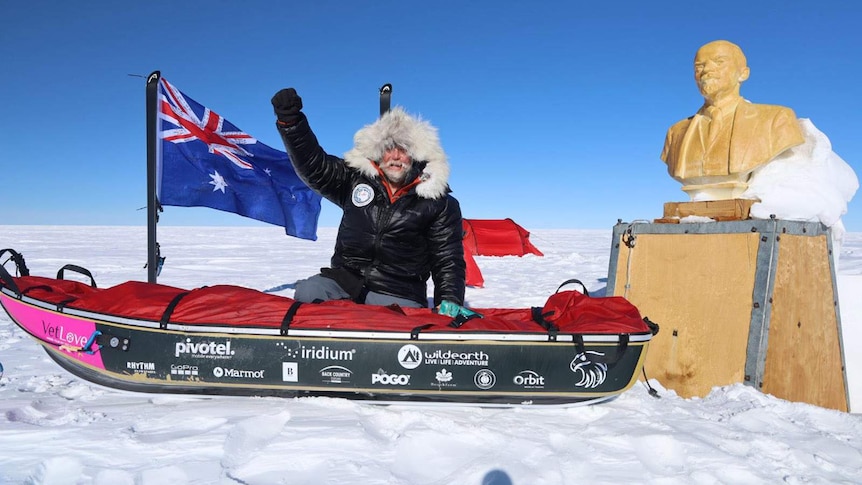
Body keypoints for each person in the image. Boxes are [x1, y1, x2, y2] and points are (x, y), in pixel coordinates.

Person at [271, 88, 466, 309]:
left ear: (415, 155)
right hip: (345, 281)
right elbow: (315, 167)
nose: (395, 157)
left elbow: (447, 260)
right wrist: (292, 124)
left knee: (395, 327)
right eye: (388, 149)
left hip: (398, 290)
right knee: (309, 290)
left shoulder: (439, 203)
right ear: (377, 151)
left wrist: (449, 302)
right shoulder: (354, 179)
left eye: (403, 150)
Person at [661, 40, 805, 200]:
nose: (706, 70)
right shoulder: (676, 132)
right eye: (699, 66)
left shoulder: (776, 119)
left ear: (743, 73)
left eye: (719, 62)